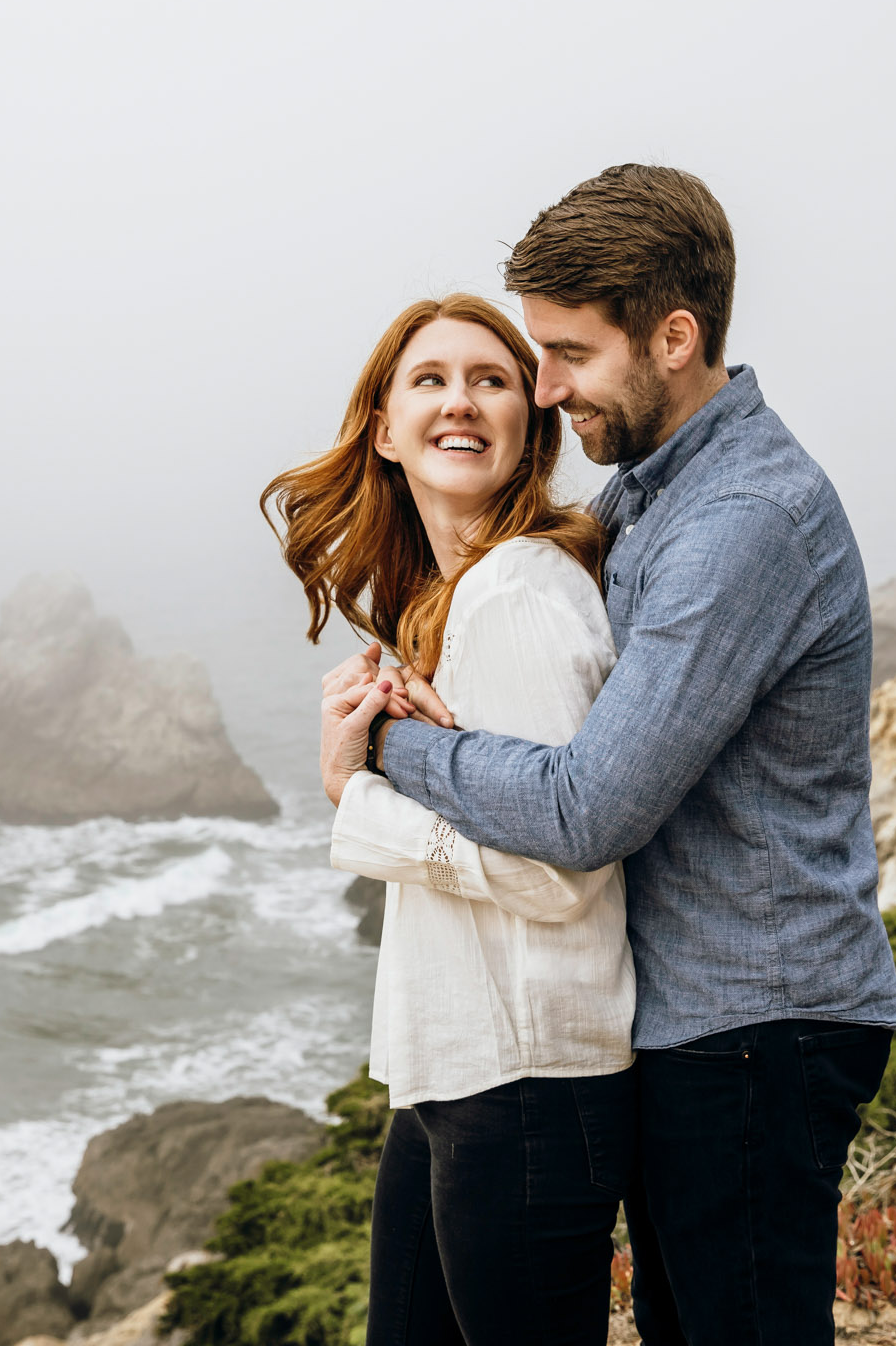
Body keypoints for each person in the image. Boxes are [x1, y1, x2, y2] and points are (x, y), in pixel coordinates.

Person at [320, 165, 896, 1346]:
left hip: (758, 1017)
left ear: (674, 337)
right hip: (698, 1016)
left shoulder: (742, 519)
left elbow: (587, 812)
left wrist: (383, 757)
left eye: (566, 355)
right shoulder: (651, 498)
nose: (543, 389)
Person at [264, 293, 635, 1346]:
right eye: (429, 379)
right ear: (383, 428)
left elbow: (565, 870)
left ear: (531, 423)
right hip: (460, 1074)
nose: (459, 401)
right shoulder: (455, 598)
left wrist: (360, 796)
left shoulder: (518, 593)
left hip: (527, 1086)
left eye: (490, 379)